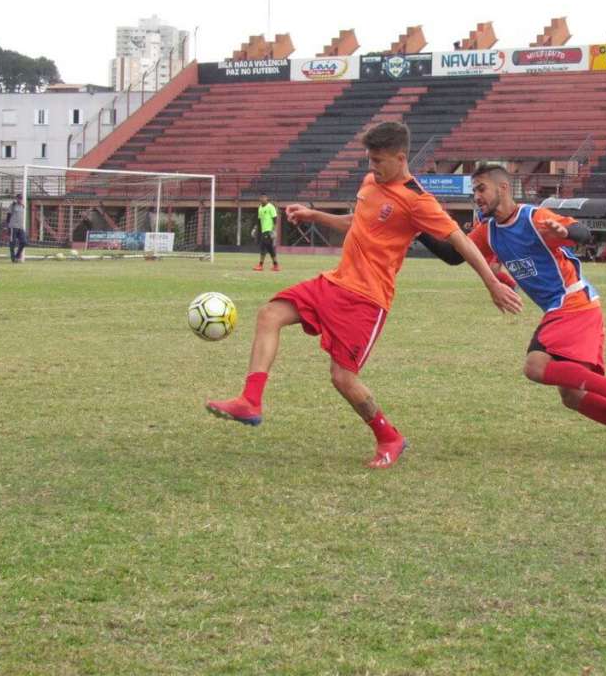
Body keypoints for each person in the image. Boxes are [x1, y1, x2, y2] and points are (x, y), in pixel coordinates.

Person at [206, 122, 522, 469]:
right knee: (270, 314)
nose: (372, 167)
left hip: (367, 300)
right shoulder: (371, 182)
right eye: (369, 160)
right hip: (335, 282)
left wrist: (492, 283)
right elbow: (358, 221)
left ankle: (390, 437)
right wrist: (313, 214)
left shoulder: (418, 200)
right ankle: (250, 400)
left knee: (342, 378)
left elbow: (460, 243)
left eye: (378, 160)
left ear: (400, 158)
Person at [418, 164, 606, 463]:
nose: (477, 197)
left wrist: (566, 231)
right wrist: (418, 225)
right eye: (474, 192)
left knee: (535, 367)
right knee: (572, 396)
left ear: (503, 188)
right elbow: (452, 255)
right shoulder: (489, 232)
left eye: (481, 189)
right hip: (566, 308)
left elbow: (582, 232)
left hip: (572, 303)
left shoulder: (534, 217)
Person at [254, 194, 280, 271]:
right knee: (270, 248)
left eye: (264, 197)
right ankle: (276, 265)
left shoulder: (270, 207)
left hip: (268, 231)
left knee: (263, 247)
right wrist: (256, 229)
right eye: (261, 197)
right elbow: (259, 221)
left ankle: (260, 265)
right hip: (263, 231)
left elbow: (275, 219)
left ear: (267, 198)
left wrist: (273, 231)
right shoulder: (260, 208)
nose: (262, 199)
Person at [5, 194, 27, 263]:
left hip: (20, 227)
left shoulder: (23, 206)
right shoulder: (13, 205)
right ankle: (13, 258)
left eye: (21, 198)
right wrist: (7, 226)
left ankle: (17, 255)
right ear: (16, 199)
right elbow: (8, 216)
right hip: (13, 227)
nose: (20, 200)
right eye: (19, 198)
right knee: (13, 242)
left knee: (24, 242)